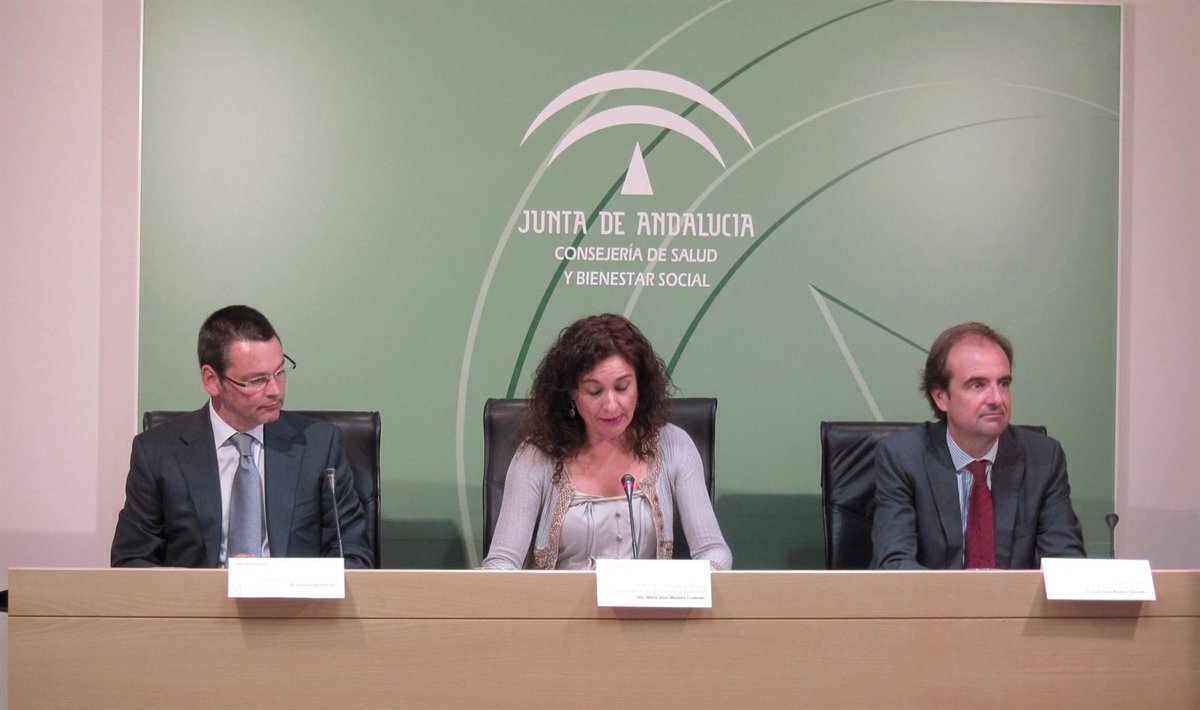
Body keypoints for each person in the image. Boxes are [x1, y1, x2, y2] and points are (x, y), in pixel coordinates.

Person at [111, 305, 373, 568]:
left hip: (292, 594)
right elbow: (131, 561)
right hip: (201, 595)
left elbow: (353, 555)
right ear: (212, 380)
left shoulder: (319, 445)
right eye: (257, 380)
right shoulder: (157, 453)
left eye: (280, 372)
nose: (275, 390)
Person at [482, 314, 732, 570]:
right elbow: (502, 561)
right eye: (595, 391)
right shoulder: (537, 455)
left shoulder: (675, 446)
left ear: (640, 387)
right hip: (560, 597)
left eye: (622, 388)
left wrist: (698, 579)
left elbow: (713, 550)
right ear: (572, 393)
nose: (611, 405)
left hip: (645, 597)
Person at [871, 322, 1085, 570]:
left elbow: (1067, 566)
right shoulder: (903, 458)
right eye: (978, 385)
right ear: (941, 397)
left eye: (1003, 383)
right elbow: (895, 565)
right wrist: (958, 595)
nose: (997, 399)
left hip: (1012, 597)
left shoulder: (1044, 458)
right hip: (932, 597)